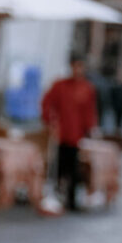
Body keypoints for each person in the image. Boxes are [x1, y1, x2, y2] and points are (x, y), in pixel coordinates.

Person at [41, 54, 99, 211]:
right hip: (61, 133)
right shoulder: (60, 86)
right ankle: (58, 194)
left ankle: (71, 199)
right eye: (75, 66)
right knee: (59, 165)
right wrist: (49, 121)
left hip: (76, 134)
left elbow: (89, 110)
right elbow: (47, 103)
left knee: (74, 167)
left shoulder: (87, 88)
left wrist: (90, 128)